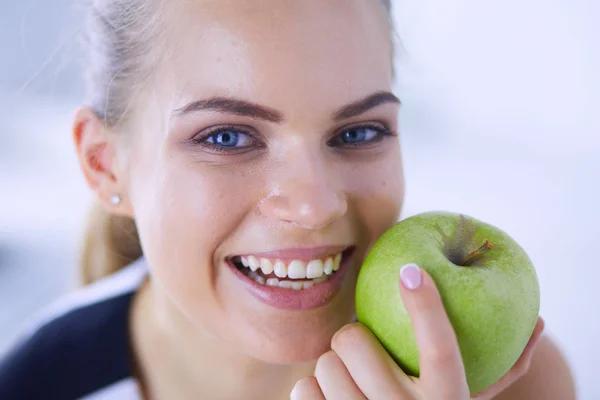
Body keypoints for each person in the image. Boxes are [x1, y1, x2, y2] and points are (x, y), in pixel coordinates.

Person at [0, 0, 577, 399]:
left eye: (358, 132)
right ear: (104, 164)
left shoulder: (508, 384)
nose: (314, 205)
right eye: (226, 136)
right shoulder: (34, 385)